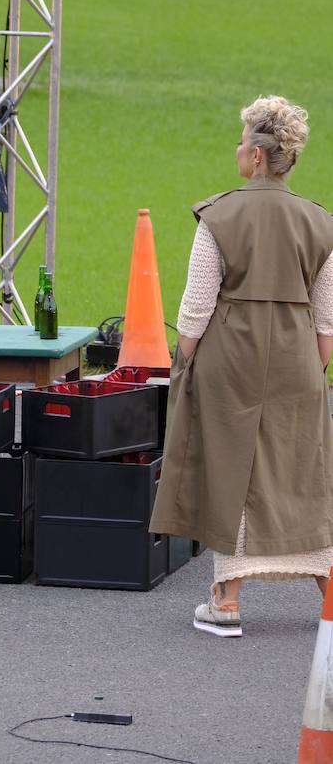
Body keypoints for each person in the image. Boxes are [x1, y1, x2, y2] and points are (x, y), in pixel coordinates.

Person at [151, 96, 333, 636]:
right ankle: (328, 591)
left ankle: (227, 602)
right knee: (303, 476)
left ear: (256, 155)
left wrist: (185, 362)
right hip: (299, 362)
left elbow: (195, 309)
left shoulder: (219, 215)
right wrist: (311, 369)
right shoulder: (320, 222)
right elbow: (326, 320)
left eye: (241, 142)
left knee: (232, 472)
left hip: (229, 362)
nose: (236, 150)